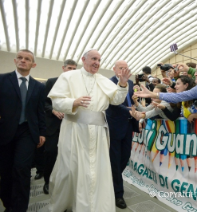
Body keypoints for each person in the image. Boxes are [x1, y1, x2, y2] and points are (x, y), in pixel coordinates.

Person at [45, 49, 131, 212]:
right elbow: (56, 102)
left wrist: (123, 84)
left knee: (95, 171)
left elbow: (117, 99)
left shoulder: (103, 80)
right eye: (93, 59)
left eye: (99, 60)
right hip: (74, 130)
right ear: (83, 59)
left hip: (98, 133)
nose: (97, 62)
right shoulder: (68, 77)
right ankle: (70, 203)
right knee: (71, 170)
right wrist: (74, 102)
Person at [0, 49, 46, 212]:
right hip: (5, 131)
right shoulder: (2, 80)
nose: (23, 60)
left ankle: (19, 208)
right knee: (5, 171)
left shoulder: (38, 87)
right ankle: (8, 204)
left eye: (27, 59)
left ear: (33, 64)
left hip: (27, 132)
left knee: (21, 168)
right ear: (15, 61)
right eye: (19, 58)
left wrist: (42, 132)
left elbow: (41, 111)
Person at [105, 60, 139, 209]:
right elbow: (114, 104)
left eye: (126, 68)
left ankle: (110, 180)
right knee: (114, 159)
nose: (124, 70)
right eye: (121, 68)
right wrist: (131, 111)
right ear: (114, 69)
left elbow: (130, 101)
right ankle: (118, 194)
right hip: (114, 126)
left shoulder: (131, 83)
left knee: (125, 157)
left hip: (128, 125)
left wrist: (136, 105)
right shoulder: (108, 83)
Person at [42, 59, 77, 195]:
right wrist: (53, 110)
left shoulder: (78, 86)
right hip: (53, 126)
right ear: (63, 68)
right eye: (69, 68)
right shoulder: (51, 82)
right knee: (51, 153)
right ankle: (47, 182)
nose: (72, 71)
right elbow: (44, 103)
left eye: (74, 69)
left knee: (69, 156)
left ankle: (66, 185)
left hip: (72, 125)